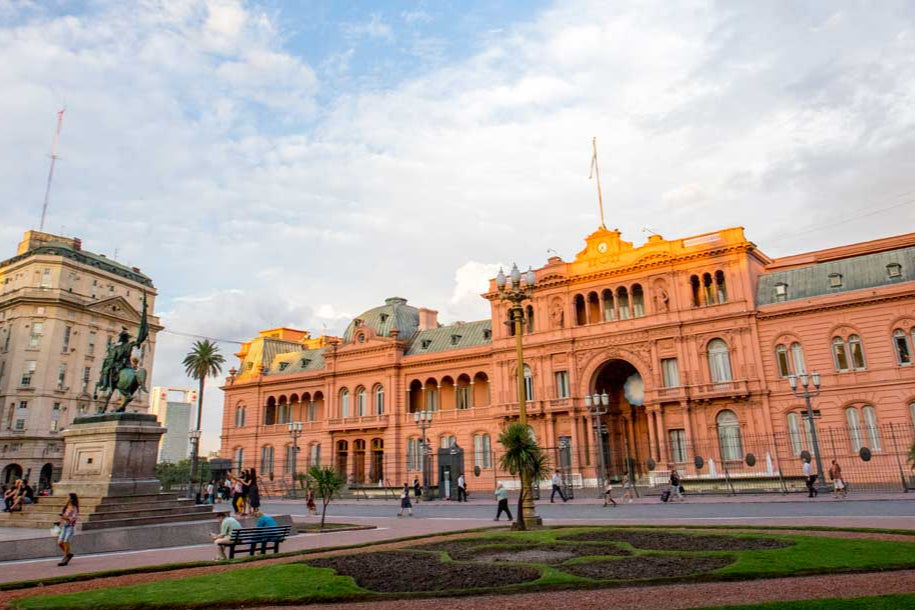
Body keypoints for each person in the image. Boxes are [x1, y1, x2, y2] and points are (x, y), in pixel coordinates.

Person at [57, 493, 79, 566]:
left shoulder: (74, 508)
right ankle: (68, 554)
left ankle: (65, 558)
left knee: (66, 541)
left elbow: (73, 518)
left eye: (68, 497)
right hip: (64, 526)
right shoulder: (66, 506)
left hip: (70, 526)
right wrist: (60, 521)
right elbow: (63, 516)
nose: (66, 498)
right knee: (60, 542)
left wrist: (65, 518)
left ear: (71, 499)